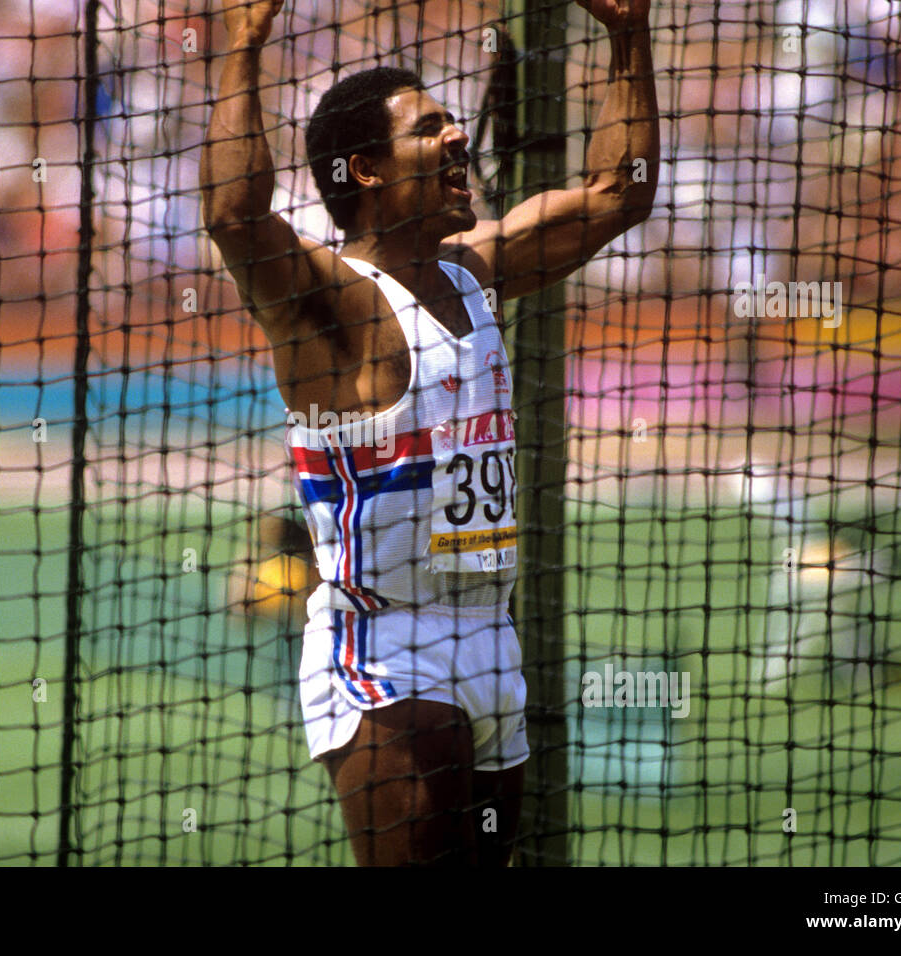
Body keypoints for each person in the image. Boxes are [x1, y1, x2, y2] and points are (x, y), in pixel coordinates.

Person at [200, 0, 658, 865]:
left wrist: (628, 32)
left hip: (493, 638)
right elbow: (233, 219)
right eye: (430, 128)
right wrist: (246, 38)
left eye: (454, 122)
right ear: (366, 169)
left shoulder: (475, 271)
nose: (457, 139)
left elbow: (619, 193)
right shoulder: (331, 302)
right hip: (388, 646)